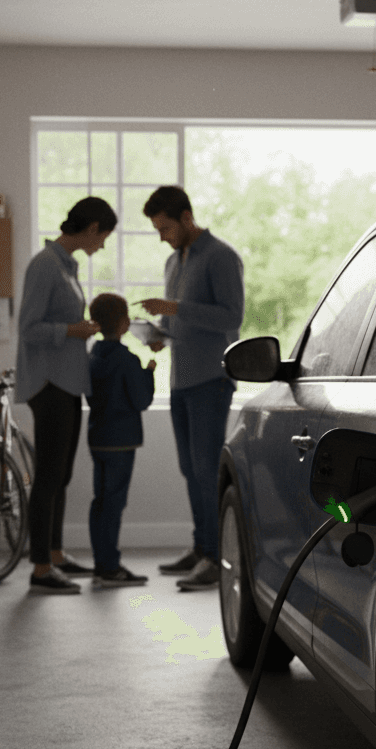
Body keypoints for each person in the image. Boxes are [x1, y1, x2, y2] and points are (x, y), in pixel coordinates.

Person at [139, 186, 245, 592]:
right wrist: (159, 334)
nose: (161, 235)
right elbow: (180, 323)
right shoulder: (173, 261)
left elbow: (231, 316)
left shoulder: (221, 257)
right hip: (181, 380)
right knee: (190, 471)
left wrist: (175, 309)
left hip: (211, 380)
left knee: (205, 472)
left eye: (165, 227)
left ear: (186, 218)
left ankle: (216, 559)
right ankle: (201, 549)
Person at [17, 196, 117, 593]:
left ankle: (54, 554)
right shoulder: (45, 266)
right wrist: (72, 331)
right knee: (48, 477)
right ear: (91, 228)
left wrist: (76, 329)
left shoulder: (64, 266)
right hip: (49, 384)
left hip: (67, 383)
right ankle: (41, 568)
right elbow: (29, 328)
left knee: (62, 475)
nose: (103, 245)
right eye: (104, 236)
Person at [86, 293, 157, 589]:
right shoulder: (128, 360)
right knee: (114, 504)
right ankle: (110, 567)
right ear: (125, 323)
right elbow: (141, 400)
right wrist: (149, 372)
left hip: (98, 438)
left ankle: (101, 563)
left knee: (100, 501)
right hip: (122, 441)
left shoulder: (92, 356)